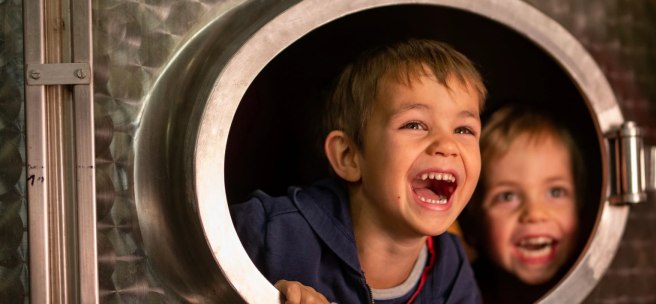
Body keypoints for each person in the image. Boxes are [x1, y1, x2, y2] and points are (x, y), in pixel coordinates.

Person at [230, 39, 486, 303]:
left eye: (464, 130)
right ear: (349, 157)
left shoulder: (450, 265)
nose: (447, 145)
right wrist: (256, 292)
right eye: (415, 125)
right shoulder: (271, 231)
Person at [460, 105, 584, 303]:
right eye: (508, 196)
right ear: (473, 222)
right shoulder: (459, 291)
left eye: (555, 192)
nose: (535, 213)